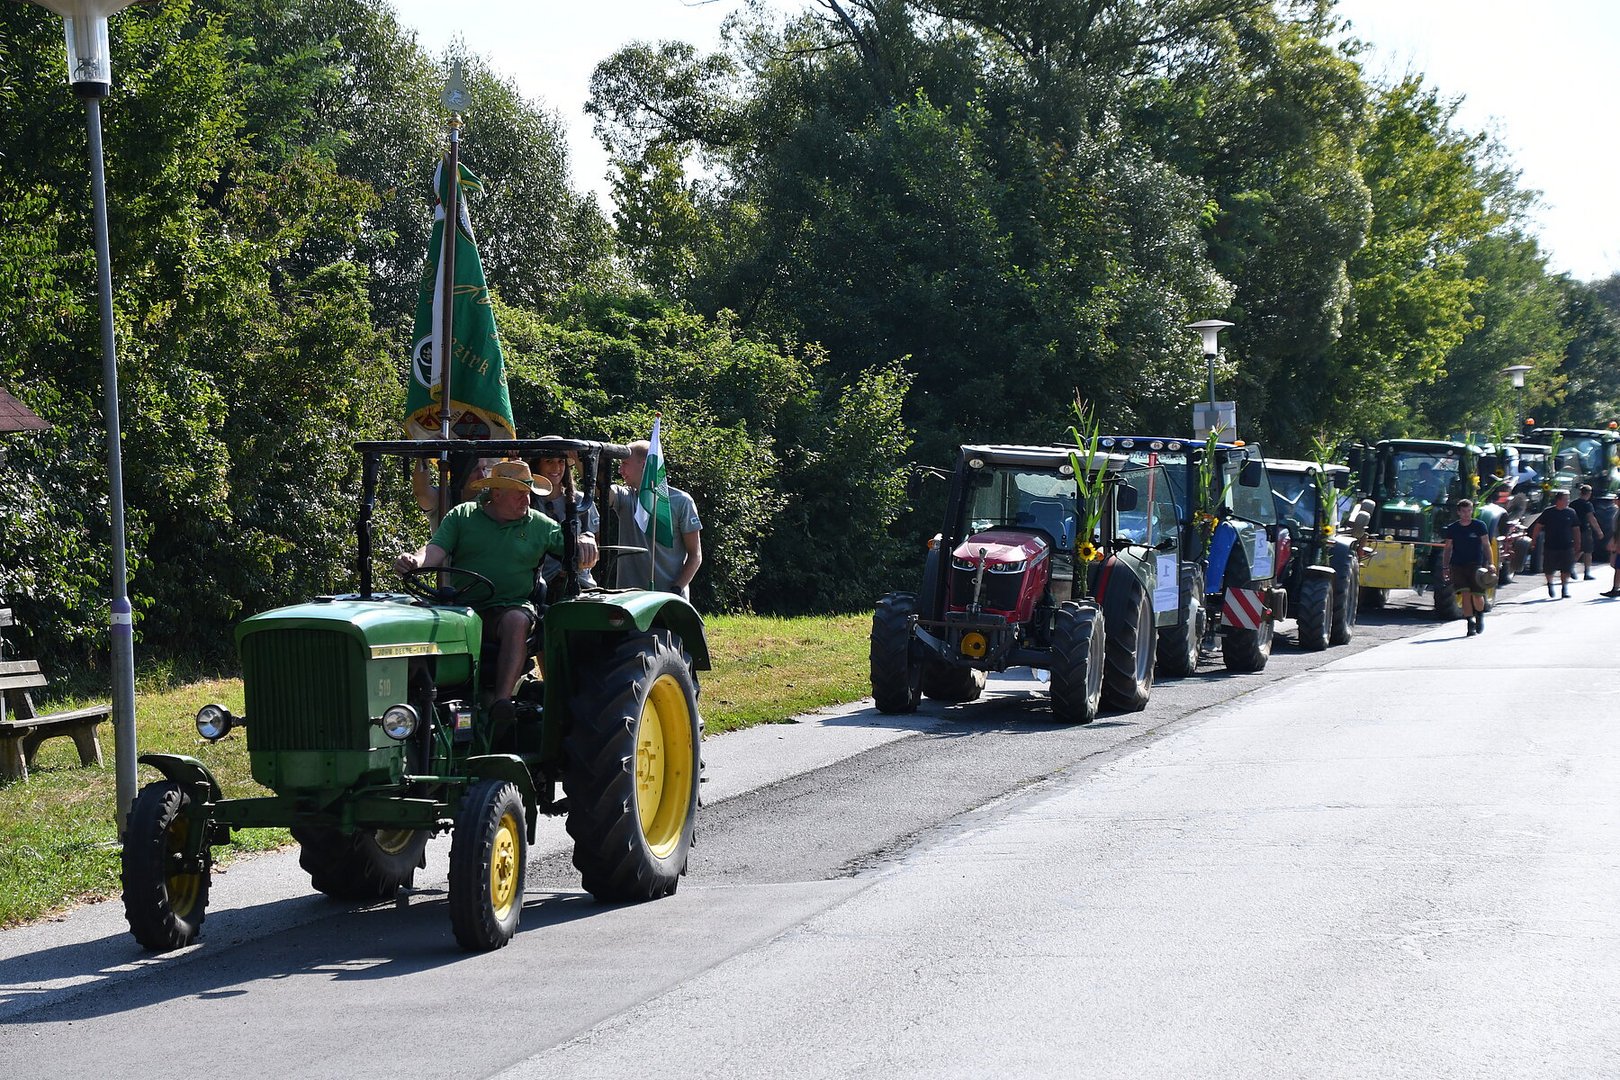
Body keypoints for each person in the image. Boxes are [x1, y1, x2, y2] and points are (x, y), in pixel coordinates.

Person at [394, 459, 596, 712]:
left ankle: (501, 704)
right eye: (519, 493)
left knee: (517, 620)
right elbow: (435, 549)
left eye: (529, 493)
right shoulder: (463, 516)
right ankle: (410, 706)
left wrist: (585, 540)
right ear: (497, 493)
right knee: (411, 621)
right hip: (461, 609)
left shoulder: (540, 525)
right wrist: (415, 561)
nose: (527, 500)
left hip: (508, 608)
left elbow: (576, 552)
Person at [610, 440, 703, 599]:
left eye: (625, 463)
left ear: (644, 465)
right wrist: (581, 459)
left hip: (670, 602)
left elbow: (695, 555)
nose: (620, 470)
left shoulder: (681, 502)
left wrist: (676, 590)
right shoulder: (625, 497)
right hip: (629, 601)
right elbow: (601, 490)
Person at [528, 440, 600, 592]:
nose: (556, 467)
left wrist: (587, 539)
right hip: (539, 586)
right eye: (549, 461)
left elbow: (597, 539)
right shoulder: (526, 501)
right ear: (537, 465)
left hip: (580, 584)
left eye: (561, 461)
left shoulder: (581, 500)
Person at [1440, 499, 1491, 637]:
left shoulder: (1479, 526)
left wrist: (1491, 563)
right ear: (1458, 512)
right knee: (1465, 594)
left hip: (1475, 565)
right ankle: (1470, 623)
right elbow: (1448, 548)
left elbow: (1486, 545)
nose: (1467, 514)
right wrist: (1445, 567)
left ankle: (1479, 615)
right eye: (1463, 511)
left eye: (1469, 511)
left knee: (1477, 595)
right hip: (1458, 565)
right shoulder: (1453, 528)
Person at [1530, 489, 1580, 599]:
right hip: (1551, 545)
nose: (1568, 501)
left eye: (1568, 499)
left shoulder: (1571, 512)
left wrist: (1578, 543)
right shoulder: (1548, 512)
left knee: (1566, 568)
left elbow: (1576, 529)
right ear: (1559, 500)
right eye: (1566, 499)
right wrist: (1534, 540)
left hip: (1567, 545)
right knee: (1549, 568)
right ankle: (1550, 583)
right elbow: (1538, 526)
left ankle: (1564, 589)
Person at [1569, 484, 1602, 580]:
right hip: (1584, 530)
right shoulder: (1587, 505)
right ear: (1589, 493)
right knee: (1587, 551)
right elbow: (1591, 518)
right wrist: (1599, 531)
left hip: (1573, 530)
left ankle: (1570, 567)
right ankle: (1586, 573)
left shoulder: (1573, 503)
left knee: (1578, 550)